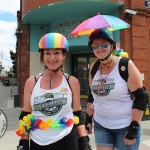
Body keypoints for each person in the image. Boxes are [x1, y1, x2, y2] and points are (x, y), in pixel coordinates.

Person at [16, 33, 91, 150]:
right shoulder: (31, 82)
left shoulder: (72, 82)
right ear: (42, 56)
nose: (52, 58)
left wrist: (84, 141)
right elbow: (26, 114)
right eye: (47, 53)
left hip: (67, 140)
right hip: (38, 141)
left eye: (57, 52)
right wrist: (23, 142)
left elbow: (78, 114)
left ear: (64, 54)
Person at [85, 28, 149, 150]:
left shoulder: (124, 65)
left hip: (125, 125)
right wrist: (88, 118)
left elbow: (142, 97)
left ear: (112, 46)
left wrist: (134, 127)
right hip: (101, 124)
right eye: (95, 46)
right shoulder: (94, 67)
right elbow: (92, 95)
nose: (99, 48)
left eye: (104, 44)